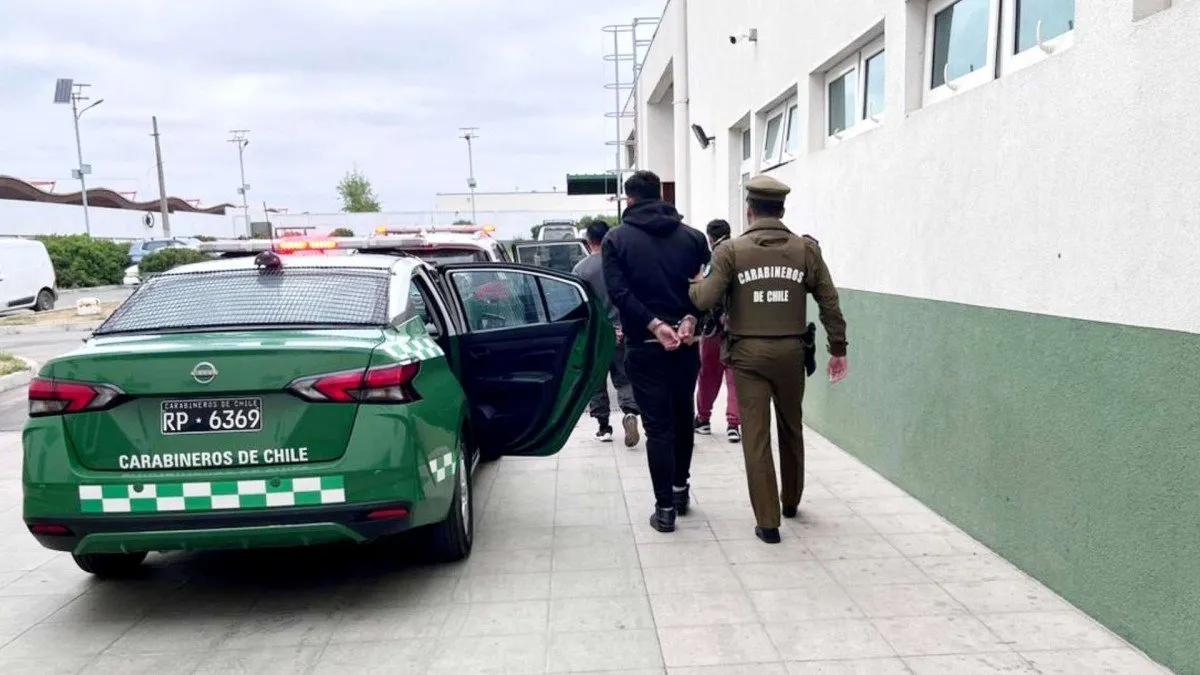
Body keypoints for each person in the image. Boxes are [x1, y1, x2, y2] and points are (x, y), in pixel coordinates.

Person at [689, 174, 848, 544]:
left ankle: (768, 522)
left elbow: (705, 299)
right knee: (791, 427)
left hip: (748, 355)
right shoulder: (806, 250)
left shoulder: (730, 252)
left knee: (756, 437)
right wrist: (838, 348)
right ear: (782, 210)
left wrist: (693, 284)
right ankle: (791, 501)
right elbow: (829, 301)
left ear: (749, 210)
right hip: (792, 354)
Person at [603, 170, 710, 534]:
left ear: (629, 199)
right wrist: (690, 319)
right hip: (686, 345)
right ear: (660, 195)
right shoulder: (693, 238)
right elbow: (704, 289)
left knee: (659, 428)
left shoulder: (616, 239)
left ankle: (664, 510)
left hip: (645, 346)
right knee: (683, 417)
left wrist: (653, 325)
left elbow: (619, 293)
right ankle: (680, 491)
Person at [572, 220, 641, 447]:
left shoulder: (580, 269)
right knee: (624, 377)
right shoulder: (622, 265)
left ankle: (604, 427)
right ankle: (630, 412)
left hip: (596, 335)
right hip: (623, 331)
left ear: (588, 241)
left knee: (597, 380)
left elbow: (578, 307)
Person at [694, 219, 741, 443]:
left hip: (714, 328)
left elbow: (708, 295)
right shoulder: (741, 255)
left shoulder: (714, 258)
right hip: (738, 327)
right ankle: (734, 424)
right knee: (734, 377)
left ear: (710, 238)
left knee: (708, 376)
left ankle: (703, 420)